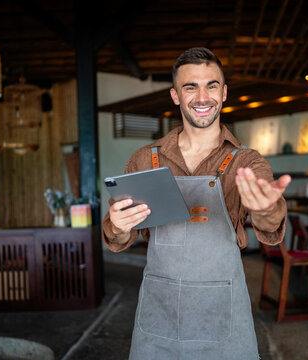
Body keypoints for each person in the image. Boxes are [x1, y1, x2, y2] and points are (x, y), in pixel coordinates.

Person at [103, 47, 291, 360]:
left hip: (223, 313)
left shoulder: (247, 161)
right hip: (158, 312)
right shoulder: (143, 160)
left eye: (211, 85)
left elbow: (271, 228)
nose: (202, 97)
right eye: (190, 87)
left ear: (224, 92)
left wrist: (267, 207)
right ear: (175, 95)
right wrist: (118, 226)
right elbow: (119, 239)